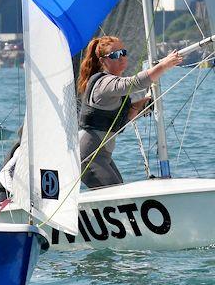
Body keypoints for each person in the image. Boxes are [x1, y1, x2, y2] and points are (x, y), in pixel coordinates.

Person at [77, 36, 182, 189]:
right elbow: (135, 83)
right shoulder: (105, 83)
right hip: (89, 154)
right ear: (102, 61)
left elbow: (121, 119)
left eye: (123, 52)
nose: (121, 58)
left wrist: (142, 104)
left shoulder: (112, 84)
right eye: (114, 55)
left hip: (102, 154)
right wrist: (164, 65)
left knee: (119, 190)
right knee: (116, 194)